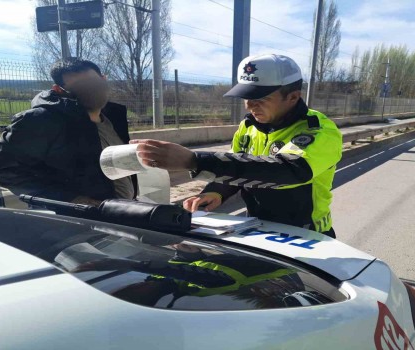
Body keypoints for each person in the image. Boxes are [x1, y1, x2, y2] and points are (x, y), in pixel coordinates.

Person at [131, 54, 342, 238]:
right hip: (259, 231)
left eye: (260, 98)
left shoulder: (320, 130)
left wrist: (193, 160)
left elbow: (287, 171)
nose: (249, 105)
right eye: (246, 97)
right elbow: (239, 165)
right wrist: (216, 192)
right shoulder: (248, 127)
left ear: (293, 97)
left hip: (309, 236)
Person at [0, 58, 137, 206]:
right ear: (59, 90)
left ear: (104, 79)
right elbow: (2, 171)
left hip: (121, 212)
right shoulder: (40, 120)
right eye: (82, 87)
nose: (92, 91)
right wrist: (71, 200)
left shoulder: (114, 116)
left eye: (95, 84)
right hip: (72, 221)